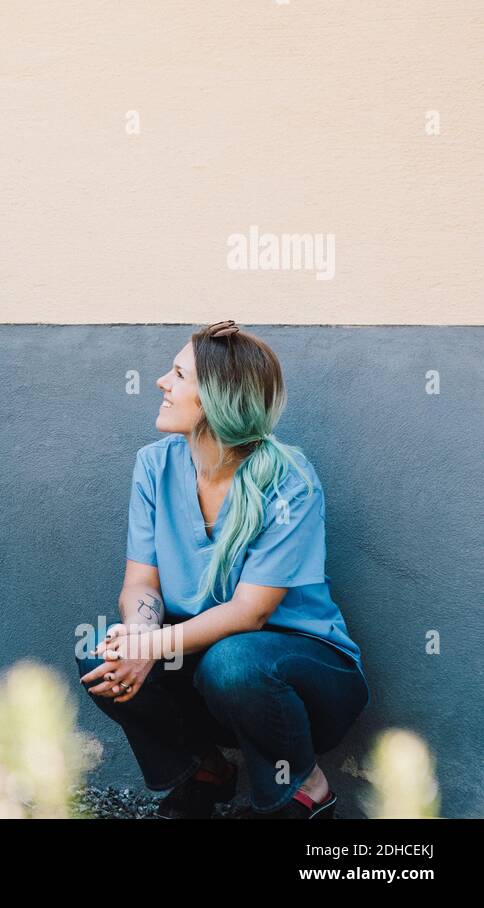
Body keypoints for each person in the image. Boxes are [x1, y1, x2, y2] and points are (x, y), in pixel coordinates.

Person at [75, 320, 370, 818]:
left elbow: (251, 613)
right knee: (100, 653)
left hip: (307, 675)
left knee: (233, 662)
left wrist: (155, 645)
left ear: (217, 398)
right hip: (206, 661)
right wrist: (140, 638)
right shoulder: (155, 465)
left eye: (177, 375)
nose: (161, 384)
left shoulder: (289, 479)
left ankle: (303, 788)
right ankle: (206, 774)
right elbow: (142, 581)